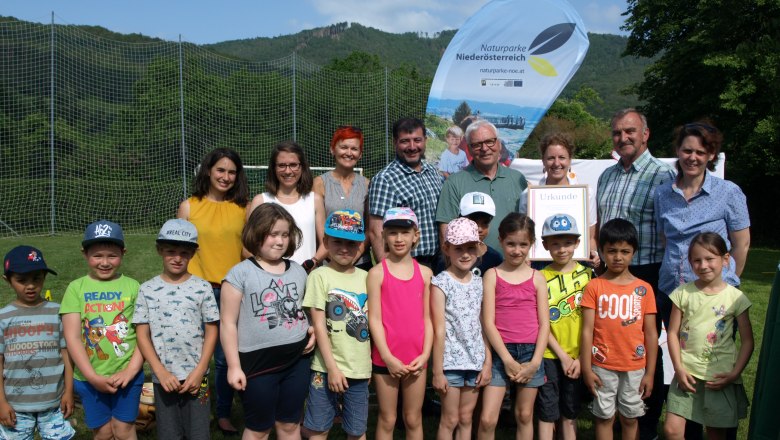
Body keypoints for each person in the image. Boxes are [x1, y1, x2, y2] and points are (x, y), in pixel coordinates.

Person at [596, 108, 674, 439]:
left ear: (645, 134)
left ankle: (645, 423)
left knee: (646, 344)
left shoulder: (663, 176)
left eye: (630, 131)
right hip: (609, 273)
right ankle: (610, 414)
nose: (623, 138)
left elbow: (671, 230)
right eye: (617, 132)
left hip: (648, 272)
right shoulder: (606, 176)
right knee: (612, 341)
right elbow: (600, 224)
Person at [220, 203, 315, 439]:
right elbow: (228, 323)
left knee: (290, 425)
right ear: (257, 233)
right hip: (257, 365)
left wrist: (311, 329)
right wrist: (233, 367)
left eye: (285, 234)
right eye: (273, 234)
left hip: (297, 361)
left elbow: (304, 310)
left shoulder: (298, 271)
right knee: (259, 429)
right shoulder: (239, 274)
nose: (280, 241)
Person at [177, 147, 249, 436]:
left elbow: (247, 251)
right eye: (221, 170)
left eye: (232, 172)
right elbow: (178, 251)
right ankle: (189, 410)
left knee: (223, 357)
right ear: (208, 170)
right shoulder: (189, 207)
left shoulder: (242, 208)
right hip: (196, 290)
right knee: (193, 355)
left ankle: (221, 413)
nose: (226, 176)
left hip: (230, 292)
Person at [655, 122, 751, 329]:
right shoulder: (662, 193)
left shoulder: (728, 192)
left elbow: (741, 245)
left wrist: (726, 282)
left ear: (711, 155)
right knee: (678, 355)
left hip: (713, 295)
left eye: (700, 152)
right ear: (678, 151)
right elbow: (665, 238)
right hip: (670, 291)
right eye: (687, 150)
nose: (692, 157)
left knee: (714, 356)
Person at [134, 219, 219, 440]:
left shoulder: (203, 287)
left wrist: (200, 370)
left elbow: (212, 330)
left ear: (192, 254)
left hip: (197, 377)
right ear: (159, 250)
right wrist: (159, 371)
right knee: (168, 434)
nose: (177, 258)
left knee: (199, 433)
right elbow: (142, 335)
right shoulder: (147, 289)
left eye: (184, 252)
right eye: (171, 251)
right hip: (164, 378)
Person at [664, 233, 753, 440]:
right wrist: (678, 367)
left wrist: (734, 374)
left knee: (715, 433)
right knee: (671, 430)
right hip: (686, 373)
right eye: (697, 260)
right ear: (690, 263)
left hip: (719, 376)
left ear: (725, 259)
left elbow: (748, 341)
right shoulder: (682, 293)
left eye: (709, 259)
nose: (703, 265)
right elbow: (672, 332)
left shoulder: (736, 298)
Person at [60, 220, 144, 440]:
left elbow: (144, 335)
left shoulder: (134, 287)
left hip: (127, 376)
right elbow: (72, 337)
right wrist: (92, 376)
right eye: (97, 256)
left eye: (111, 256)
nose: (105, 262)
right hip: (88, 379)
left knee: (124, 429)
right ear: (85, 254)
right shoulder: (75, 288)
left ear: (123, 253)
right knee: (104, 432)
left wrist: (131, 371)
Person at [580, 218, 659, 440]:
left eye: (625, 251)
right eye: (612, 251)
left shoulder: (644, 289)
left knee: (630, 417)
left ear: (634, 252)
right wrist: (586, 368)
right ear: (602, 251)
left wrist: (650, 373)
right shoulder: (594, 286)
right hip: (602, 365)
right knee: (604, 417)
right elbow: (587, 331)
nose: (618, 257)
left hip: (635, 366)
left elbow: (651, 334)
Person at [301, 210, 370, 440]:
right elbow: (319, 325)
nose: (344, 248)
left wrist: (368, 365)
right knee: (318, 429)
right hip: (325, 368)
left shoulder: (367, 278)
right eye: (337, 241)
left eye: (351, 243)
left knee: (357, 431)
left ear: (360, 245)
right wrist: (332, 368)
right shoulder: (319, 276)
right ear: (325, 242)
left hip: (359, 368)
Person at [480, 213, 550, 440]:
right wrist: (506, 359)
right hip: (502, 354)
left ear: (531, 244)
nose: (516, 250)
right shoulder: (492, 275)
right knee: (488, 418)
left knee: (524, 414)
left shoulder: (537, 278)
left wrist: (536, 362)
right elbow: (488, 322)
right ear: (500, 241)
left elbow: (544, 324)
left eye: (523, 244)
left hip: (531, 353)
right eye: (511, 244)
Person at [367, 207, 433, 440]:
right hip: (386, 360)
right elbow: (373, 319)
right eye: (392, 232)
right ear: (383, 235)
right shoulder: (376, 273)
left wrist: (425, 355)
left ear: (416, 235)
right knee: (388, 418)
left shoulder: (425, 274)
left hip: (417, 360)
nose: (398, 238)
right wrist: (387, 357)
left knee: (413, 418)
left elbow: (428, 318)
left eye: (404, 232)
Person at [0, 246, 75, 440]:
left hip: (54, 403)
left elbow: (67, 355)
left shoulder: (58, 312)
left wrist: (69, 392)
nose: (30, 285)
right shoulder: (3, 318)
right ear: (7, 280)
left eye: (36, 278)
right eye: (21, 280)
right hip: (16, 406)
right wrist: (1, 403)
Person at [431, 217, 491, 440]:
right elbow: (438, 329)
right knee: (450, 419)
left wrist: (487, 362)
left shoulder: (480, 282)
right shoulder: (440, 283)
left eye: (470, 248)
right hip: (450, 363)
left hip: (475, 361)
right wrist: (437, 371)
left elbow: (484, 325)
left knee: (466, 418)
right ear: (447, 249)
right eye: (459, 248)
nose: (465, 254)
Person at [535, 213, 592, 440]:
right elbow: (541, 322)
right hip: (549, 354)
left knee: (570, 411)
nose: (561, 249)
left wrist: (578, 357)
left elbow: (593, 322)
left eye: (568, 243)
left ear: (578, 243)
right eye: (555, 243)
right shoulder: (539, 277)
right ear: (545, 245)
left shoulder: (589, 276)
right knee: (547, 411)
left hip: (579, 355)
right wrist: (562, 356)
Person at [437, 120, 529, 255]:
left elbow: (528, 223)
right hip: (471, 269)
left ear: (499, 144)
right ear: (468, 149)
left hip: (512, 267)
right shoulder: (454, 182)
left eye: (489, 141)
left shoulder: (517, 179)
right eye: (477, 145)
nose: (484, 148)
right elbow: (446, 229)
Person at [368, 118, 443, 268]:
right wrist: (389, 273)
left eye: (417, 140)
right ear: (394, 142)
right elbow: (376, 232)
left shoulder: (433, 172)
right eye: (405, 141)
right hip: (406, 263)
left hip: (438, 261)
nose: (412, 146)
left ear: (425, 141)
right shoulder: (385, 179)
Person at [247, 141, 326, 271]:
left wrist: (313, 262)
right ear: (274, 168)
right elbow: (248, 246)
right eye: (282, 165)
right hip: (270, 280)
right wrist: (265, 269)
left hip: (306, 276)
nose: (288, 171)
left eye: (293, 165)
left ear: (302, 167)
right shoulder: (260, 201)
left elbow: (326, 242)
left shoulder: (314, 200)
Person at [313, 126, 372, 271]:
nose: (349, 153)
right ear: (332, 149)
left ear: (360, 154)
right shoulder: (320, 183)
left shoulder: (367, 184)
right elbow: (319, 230)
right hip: (329, 263)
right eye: (344, 147)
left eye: (354, 149)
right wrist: (334, 258)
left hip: (359, 263)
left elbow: (370, 228)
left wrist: (354, 256)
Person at [536, 133, 599, 266]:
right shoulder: (529, 196)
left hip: (578, 265)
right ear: (543, 160)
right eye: (551, 158)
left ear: (570, 160)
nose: (556, 163)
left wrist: (593, 255)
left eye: (562, 157)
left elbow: (590, 237)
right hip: (541, 265)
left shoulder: (586, 194)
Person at [458, 192, 503, 277]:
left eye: (485, 222)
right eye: (473, 222)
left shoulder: (494, 258)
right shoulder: (450, 257)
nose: (479, 229)